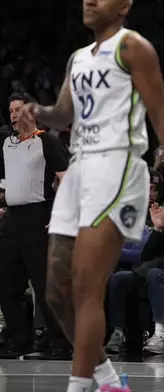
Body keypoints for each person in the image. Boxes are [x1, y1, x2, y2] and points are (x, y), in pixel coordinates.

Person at [17, 0, 164, 391]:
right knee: (55, 291)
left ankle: (79, 386)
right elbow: (65, 114)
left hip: (118, 165)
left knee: (86, 285)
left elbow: (161, 117)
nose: (89, 0)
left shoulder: (133, 47)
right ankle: (105, 377)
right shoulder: (79, 58)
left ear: (124, 5)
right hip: (81, 167)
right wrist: (40, 112)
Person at [0, 93, 71, 360]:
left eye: (18, 109)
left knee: (44, 285)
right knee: (6, 282)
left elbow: (66, 178)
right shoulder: (7, 144)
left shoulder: (46, 142)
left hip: (39, 217)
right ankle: (20, 339)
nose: (13, 115)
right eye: (11, 111)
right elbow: (6, 181)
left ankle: (60, 341)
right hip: (11, 219)